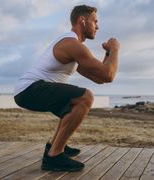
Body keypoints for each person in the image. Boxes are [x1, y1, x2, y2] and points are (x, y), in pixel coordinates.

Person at [13, 4, 120, 172]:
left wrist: (107, 55)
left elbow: (100, 79)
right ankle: (54, 156)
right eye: (95, 21)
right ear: (82, 20)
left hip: (27, 90)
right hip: (29, 89)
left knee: (72, 104)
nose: (97, 26)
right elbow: (109, 75)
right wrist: (114, 49)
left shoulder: (72, 46)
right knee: (85, 97)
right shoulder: (71, 44)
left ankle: (54, 145)